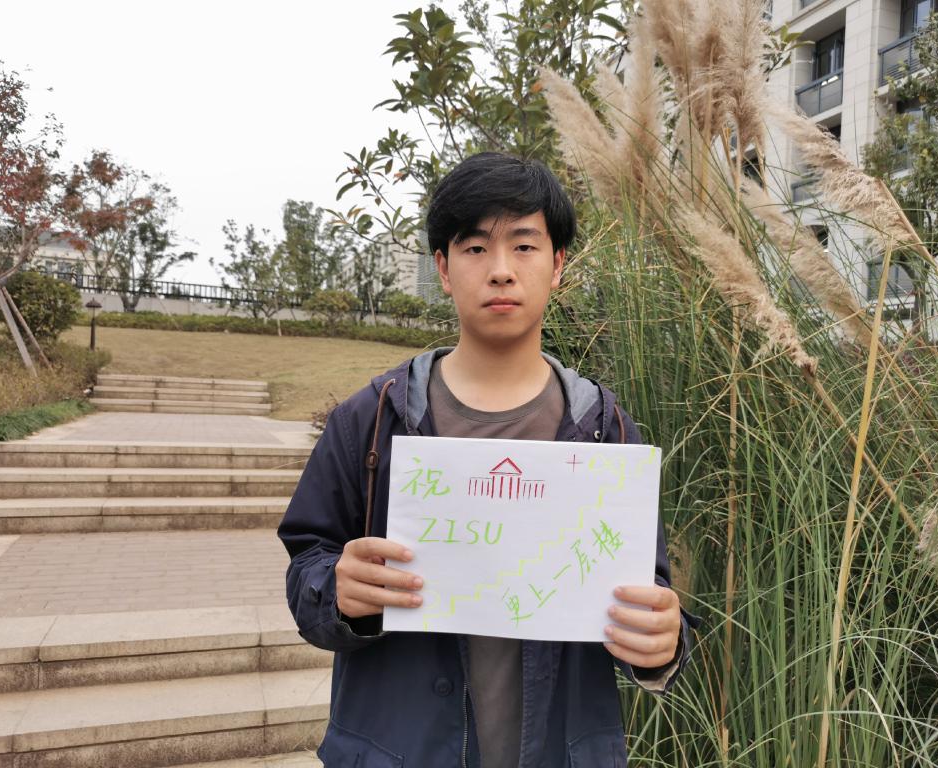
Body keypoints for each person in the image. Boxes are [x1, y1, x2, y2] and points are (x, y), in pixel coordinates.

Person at [277, 152, 698, 767]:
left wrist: (662, 644)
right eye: (475, 248)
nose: (501, 271)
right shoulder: (371, 419)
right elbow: (307, 564)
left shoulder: (605, 431)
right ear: (443, 269)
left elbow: (647, 593)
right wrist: (337, 590)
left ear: (558, 265)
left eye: (524, 246)